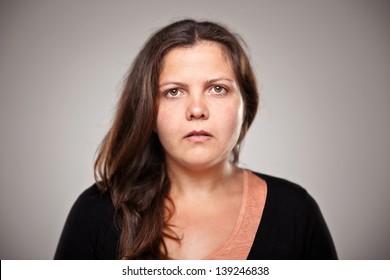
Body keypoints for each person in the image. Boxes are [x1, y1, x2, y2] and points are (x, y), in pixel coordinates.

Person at [54, 19, 337, 260]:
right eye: (174, 92)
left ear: (245, 105)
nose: (197, 110)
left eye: (217, 88)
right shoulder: (96, 212)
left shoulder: (296, 211)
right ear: (148, 112)